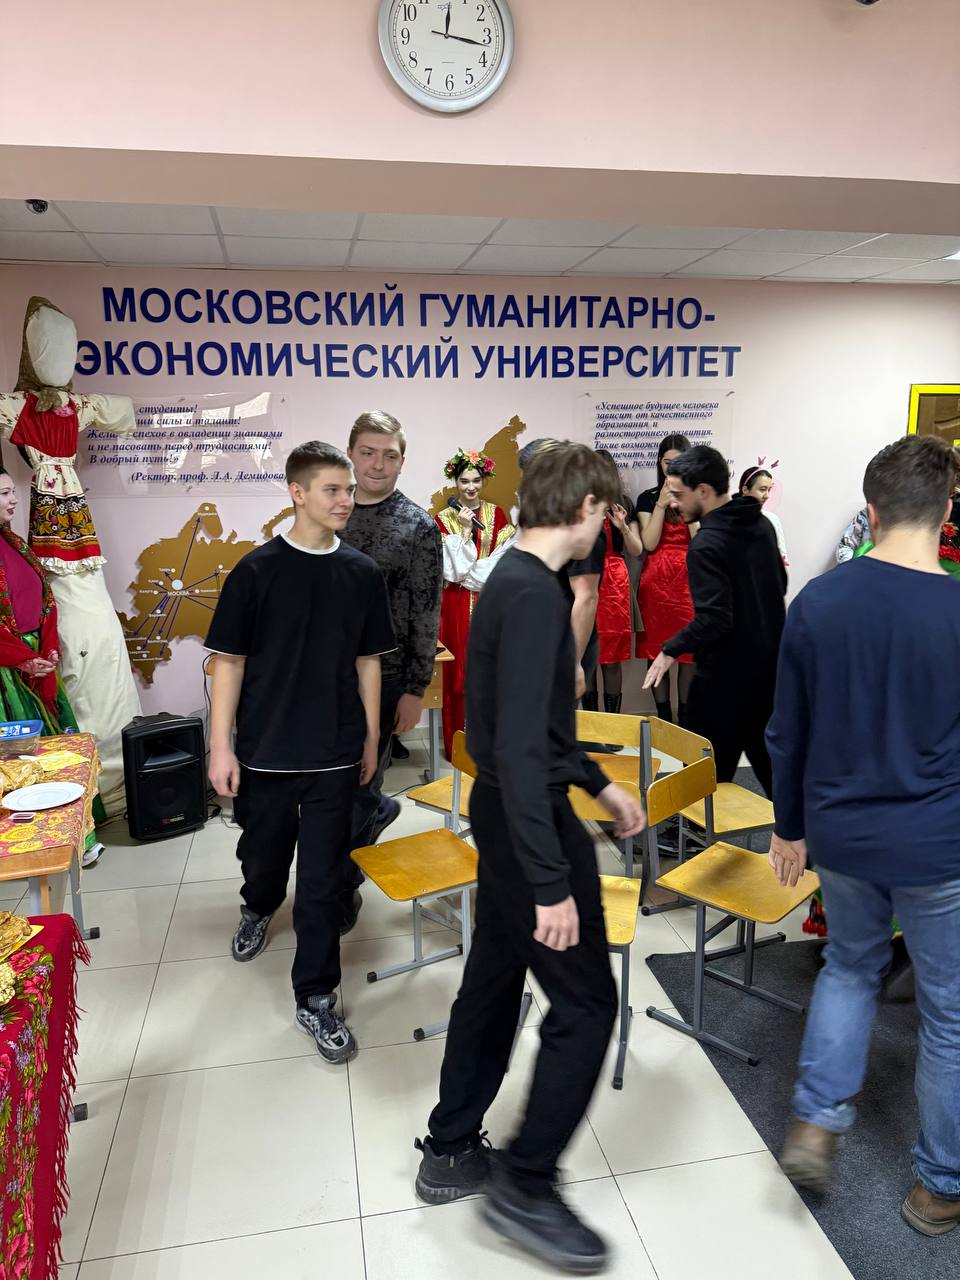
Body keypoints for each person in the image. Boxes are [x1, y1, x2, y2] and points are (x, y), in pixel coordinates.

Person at [414, 441, 646, 1274]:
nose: (606, 527)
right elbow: (515, 749)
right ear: (585, 508)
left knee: (491, 983)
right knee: (586, 1006)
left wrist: (598, 782)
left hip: (515, 813)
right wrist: (551, 883)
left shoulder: (515, 580)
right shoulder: (535, 595)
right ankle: (526, 1182)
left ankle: (450, 1146)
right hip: (527, 825)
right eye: (607, 511)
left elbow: (533, 728)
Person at [768, 435, 960, 1236]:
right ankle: (940, 1186)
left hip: (842, 834)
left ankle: (816, 1123)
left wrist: (788, 828)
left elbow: (787, 732)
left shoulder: (819, 601)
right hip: (938, 843)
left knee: (850, 968)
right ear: (946, 511)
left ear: (871, 511)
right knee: (949, 1012)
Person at [206, 442, 395, 1064]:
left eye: (349, 490)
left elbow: (367, 662)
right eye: (333, 490)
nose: (347, 500)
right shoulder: (255, 571)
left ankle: (315, 996)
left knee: (322, 881)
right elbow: (228, 664)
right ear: (297, 493)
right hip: (265, 751)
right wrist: (220, 748)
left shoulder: (361, 573)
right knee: (263, 858)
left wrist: (371, 737)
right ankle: (258, 906)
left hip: (335, 750)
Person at [644, 445, 786, 796]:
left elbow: (715, 618)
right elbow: (780, 584)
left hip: (725, 680)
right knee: (777, 779)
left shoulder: (707, 543)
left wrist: (669, 650)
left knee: (701, 781)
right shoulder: (761, 525)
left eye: (679, 494)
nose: (673, 502)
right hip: (769, 675)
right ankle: (799, 831)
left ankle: (693, 825)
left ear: (703, 491)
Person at [342, 411, 443, 854]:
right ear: (350, 454)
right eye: (368, 453)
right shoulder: (328, 511)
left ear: (403, 460)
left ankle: (346, 877)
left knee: (362, 782)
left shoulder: (418, 525)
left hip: (386, 676)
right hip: (324, 673)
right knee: (328, 785)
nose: (378, 465)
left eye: (389, 455)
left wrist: (415, 689)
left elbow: (427, 612)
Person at [435, 447, 516, 759]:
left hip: (491, 599)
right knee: (458, 669)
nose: (470, 487)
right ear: (455, 482)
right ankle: (459, 741)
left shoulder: (498, 515)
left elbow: (504, 559)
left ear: (484, 481)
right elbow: (452, 570)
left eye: (476, 481)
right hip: (455, 603)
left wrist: (473, 572)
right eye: (464, 481)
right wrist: (466, 532)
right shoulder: (443, 519)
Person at [634, 434, 697, 724]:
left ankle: (686, 720)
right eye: (667, 463)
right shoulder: (647, 498)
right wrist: (660, 505)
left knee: (689, 654)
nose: (672, 469)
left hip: (689, 583)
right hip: (656, 585)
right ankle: (663, 720)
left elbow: (700, 541)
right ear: (659, 463)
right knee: (656, 651)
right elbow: (648, 543)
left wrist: (687, 501)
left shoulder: (698, 495)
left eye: (679, 463)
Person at [593, 449, 642, 719]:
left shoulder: (623, 504)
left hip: (614, 585)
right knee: (587, 659)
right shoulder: (578, 504)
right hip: (585, 580)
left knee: (611, 661)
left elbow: (636, 550)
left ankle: (613, 727)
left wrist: (622, 526)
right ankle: (589, 727)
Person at [739, 465, 789, 566]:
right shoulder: (726, 519)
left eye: (769, 490)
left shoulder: (772, 519)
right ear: (745, 490)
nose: (767, 496)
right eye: (762, 489)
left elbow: (781, 557)